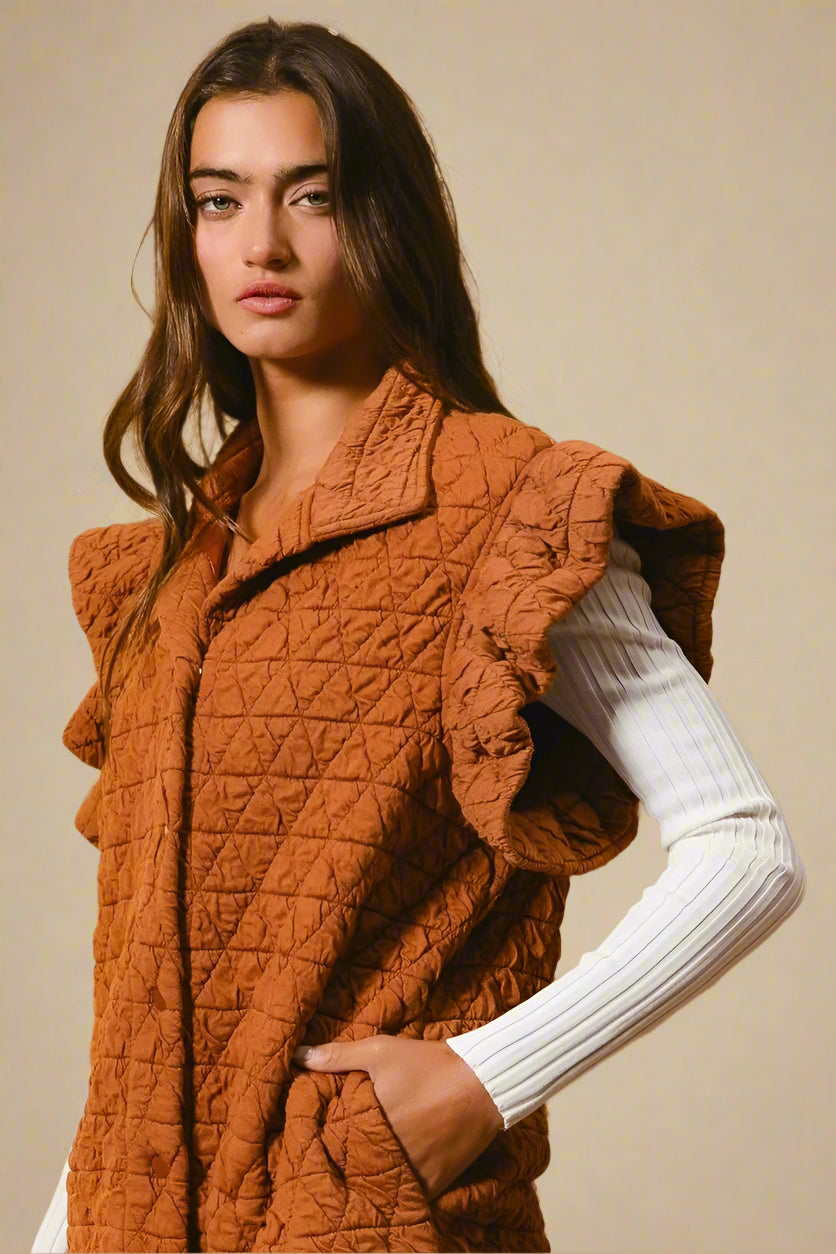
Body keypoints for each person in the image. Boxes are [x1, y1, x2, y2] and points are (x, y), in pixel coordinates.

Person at [32, 17, 805, 1254]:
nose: (261, 244)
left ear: (382, 217)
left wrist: (480, 1083)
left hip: (368, 1221)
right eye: (218, 200)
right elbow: (138, 1001)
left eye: (312, 196)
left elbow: (742, 848)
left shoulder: (511, 508)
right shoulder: (175, 569)